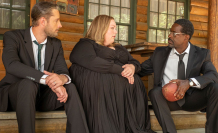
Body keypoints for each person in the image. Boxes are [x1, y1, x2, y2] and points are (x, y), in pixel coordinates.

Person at [0, 2, 89, 133]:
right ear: (43, 21)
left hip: (42, 97)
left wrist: (61, 80)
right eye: (57, 20)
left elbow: (62, 71)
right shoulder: (13, 37)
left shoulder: (56, 44)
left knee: (70, 87)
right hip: (17, 95)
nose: (60, 25)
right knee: (28, 84)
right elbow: (12, 65)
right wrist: (47, 79)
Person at [69, 15, 155, 133]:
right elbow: (92, 62)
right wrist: (121, 71)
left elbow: (134, 61)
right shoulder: (87, 44)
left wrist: (132, 67)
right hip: (101, 89)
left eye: (116, 28)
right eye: (112, 28)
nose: (116, 32)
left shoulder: (118, 47)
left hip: (123, 92)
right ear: (101, 28)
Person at [139, 19, 218, 133]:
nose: (169, 35)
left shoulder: (202, 54)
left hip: (192, 99)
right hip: (168, 100)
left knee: (216, 89)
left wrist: (189, 82)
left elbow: (213, 75)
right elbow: (141, 69)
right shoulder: (159, 53)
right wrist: (129, 67)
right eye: (170, 32)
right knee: (154, 92)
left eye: (174, 33)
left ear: (186, 37)